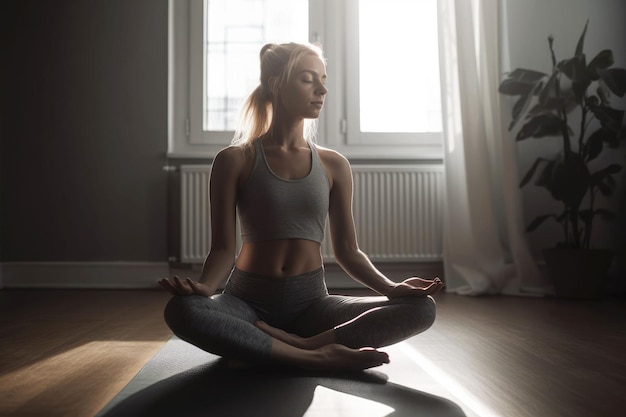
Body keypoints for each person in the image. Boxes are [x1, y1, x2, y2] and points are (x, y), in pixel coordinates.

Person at [159, 42, 443, 371]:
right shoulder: (235, 160)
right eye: (308, 79)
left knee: (423, 307)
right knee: (182, 310)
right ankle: (317, 357)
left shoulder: (334, 164)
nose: (322, 89)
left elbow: (348, 251)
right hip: (247, 303)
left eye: (323, 79)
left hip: (313, 306)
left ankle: (304, 346)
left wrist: (392, 289)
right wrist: (205, 289)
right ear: (276, 82)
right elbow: (223, 248)